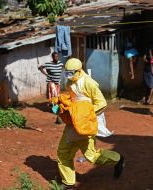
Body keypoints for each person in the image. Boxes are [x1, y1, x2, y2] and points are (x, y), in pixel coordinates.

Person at [57, 58, 125, 189]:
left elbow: (102, 103)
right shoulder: (70, 81)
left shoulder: (89, 83)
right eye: (66, 73)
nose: (68, 76)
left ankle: (117, 159)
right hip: (73, 123)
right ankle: (68, 183)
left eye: (70, 73)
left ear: (79, 70)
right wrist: (61, 105)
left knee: (91, 156)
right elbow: (71, 99)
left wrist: (84, 116)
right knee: (63, 153)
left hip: (86, 125)